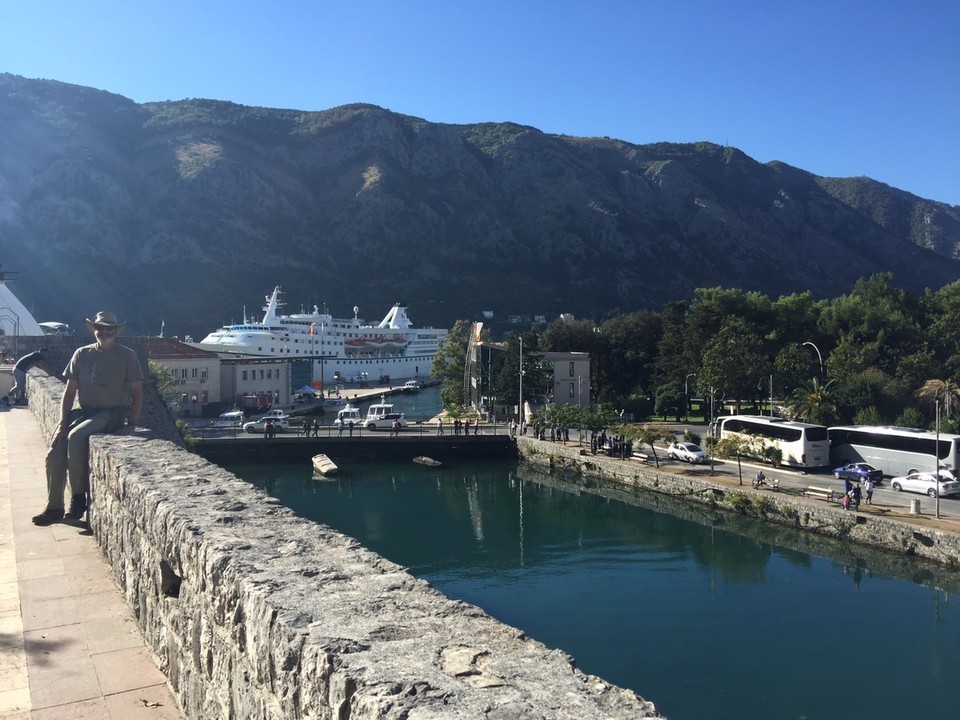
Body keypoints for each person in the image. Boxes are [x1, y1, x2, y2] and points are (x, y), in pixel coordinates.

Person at [32, 312, 143, 526]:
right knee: (54, 454)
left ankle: (78, 498)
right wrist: (62, 423)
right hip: (83, 412)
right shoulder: (81, 354)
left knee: (76, 436)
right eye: (100, 327)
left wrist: (132, 423)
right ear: (94, 329)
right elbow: (69, 391)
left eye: (109, 328)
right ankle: (54, 508)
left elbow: (137, 392)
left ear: (116, 331)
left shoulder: (127, 356)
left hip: (111, 413)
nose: (104, 331)